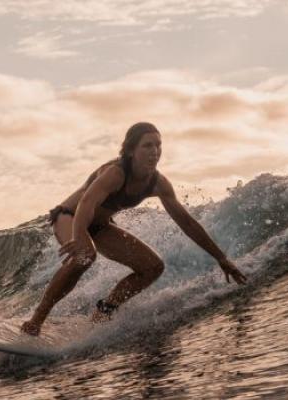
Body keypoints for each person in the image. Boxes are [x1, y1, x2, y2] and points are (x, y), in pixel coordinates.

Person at [20, 122, 247, 336]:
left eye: (158, 145)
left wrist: (221, 258)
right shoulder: (115, 173)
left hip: (100, 226)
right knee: (85, 256)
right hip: (70, 216)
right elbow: (86, 203)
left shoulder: (158, 183)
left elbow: (187, 223)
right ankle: (36, 320)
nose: (155, 151)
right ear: (130, 150)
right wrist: (79, 236)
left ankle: (104, 311)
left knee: (153, 267)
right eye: (147, 145)